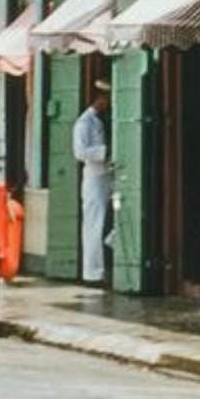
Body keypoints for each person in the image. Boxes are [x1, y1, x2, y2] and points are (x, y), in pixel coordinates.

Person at [71, 85, 112, 284]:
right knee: (94, 224)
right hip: (95, 178)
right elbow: (80, 152)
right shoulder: (84, 123)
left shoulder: (100, 120)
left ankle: (105, 265)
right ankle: (93, 271)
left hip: (107, 175)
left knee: (110, 222)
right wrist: (106, 151)